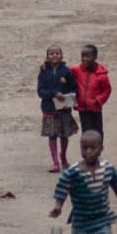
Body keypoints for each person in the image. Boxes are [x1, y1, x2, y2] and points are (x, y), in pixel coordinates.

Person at [38, 45, 79, 173]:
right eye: (51, 53)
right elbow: (40, 91)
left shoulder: (66, 71)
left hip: (64, 109)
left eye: (57, 53)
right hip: (49, 108)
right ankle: (55, 162)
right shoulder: (43, 72)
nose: (54, 55)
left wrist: (72, 99)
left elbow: (73, 88)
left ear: (61, 56)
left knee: (64, 135)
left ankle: (64, 157)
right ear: (47, 57)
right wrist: (54, 94)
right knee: (52, 135)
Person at [70, 44, 112, 136]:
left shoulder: (102, 75)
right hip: (82, 108)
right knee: (86, 132)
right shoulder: (76, 70)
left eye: (88, 56)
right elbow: (64, 73)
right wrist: (46, 67)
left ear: (95, 57)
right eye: (82, 56)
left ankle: (98, 149)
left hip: (95, 108)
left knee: (98, 132)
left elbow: (107, 90)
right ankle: (87, 150)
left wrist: (98, 100)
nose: (84, 59)